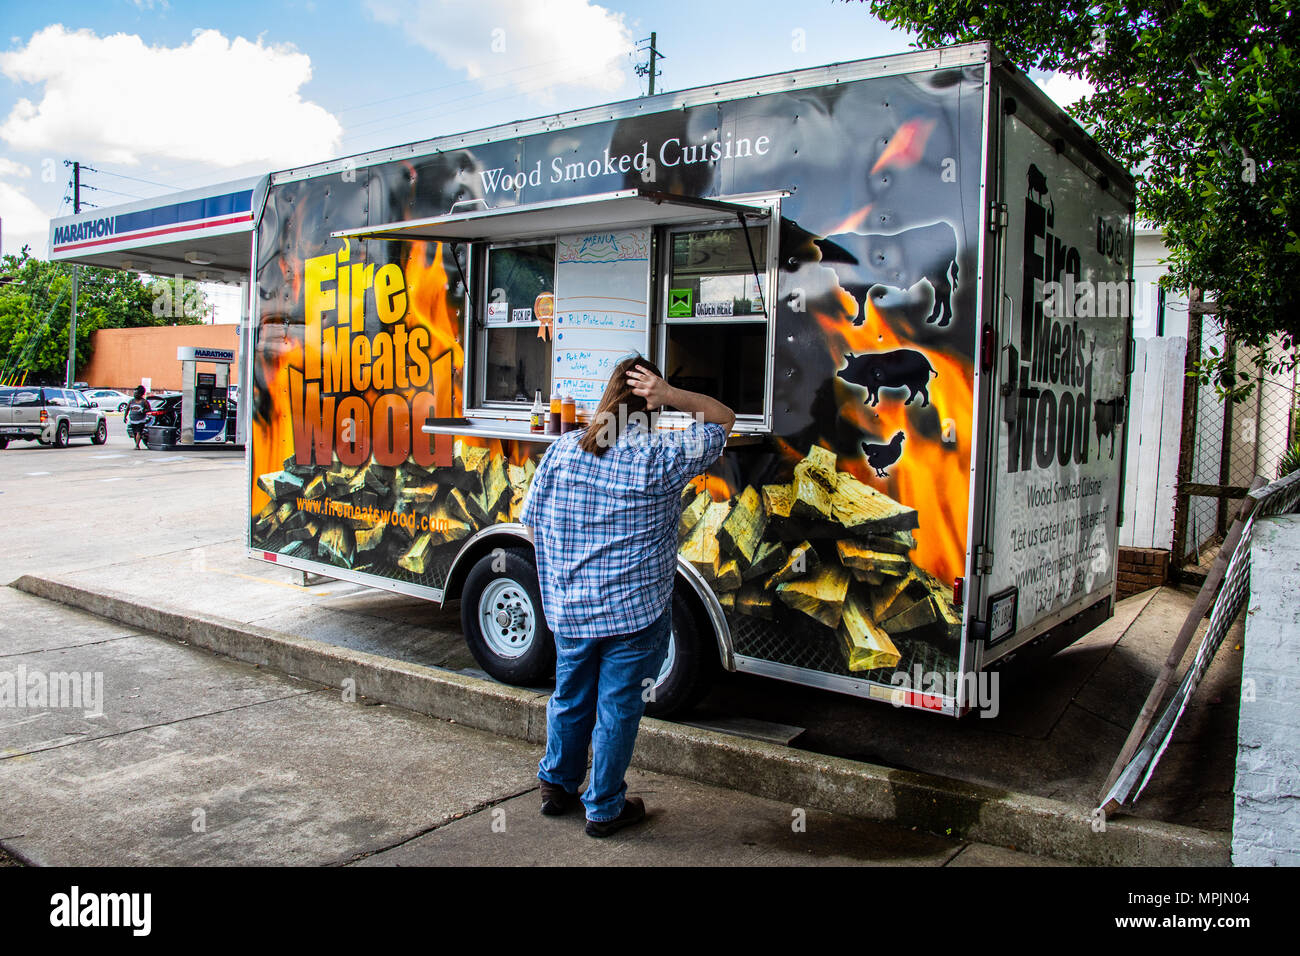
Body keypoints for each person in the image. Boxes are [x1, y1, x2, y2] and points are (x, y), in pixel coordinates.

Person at [519, 356, 734, 837]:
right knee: (617, 709)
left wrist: (563, 580)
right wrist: (675, 394)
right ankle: (603, 808)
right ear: (652, 408)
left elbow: (532, 526)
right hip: (632, 614)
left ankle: (556, 785)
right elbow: (725, 419)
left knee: (569, 697)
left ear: (607, 398)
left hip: (570, 609)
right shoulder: (661, 457)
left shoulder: (563, 450)